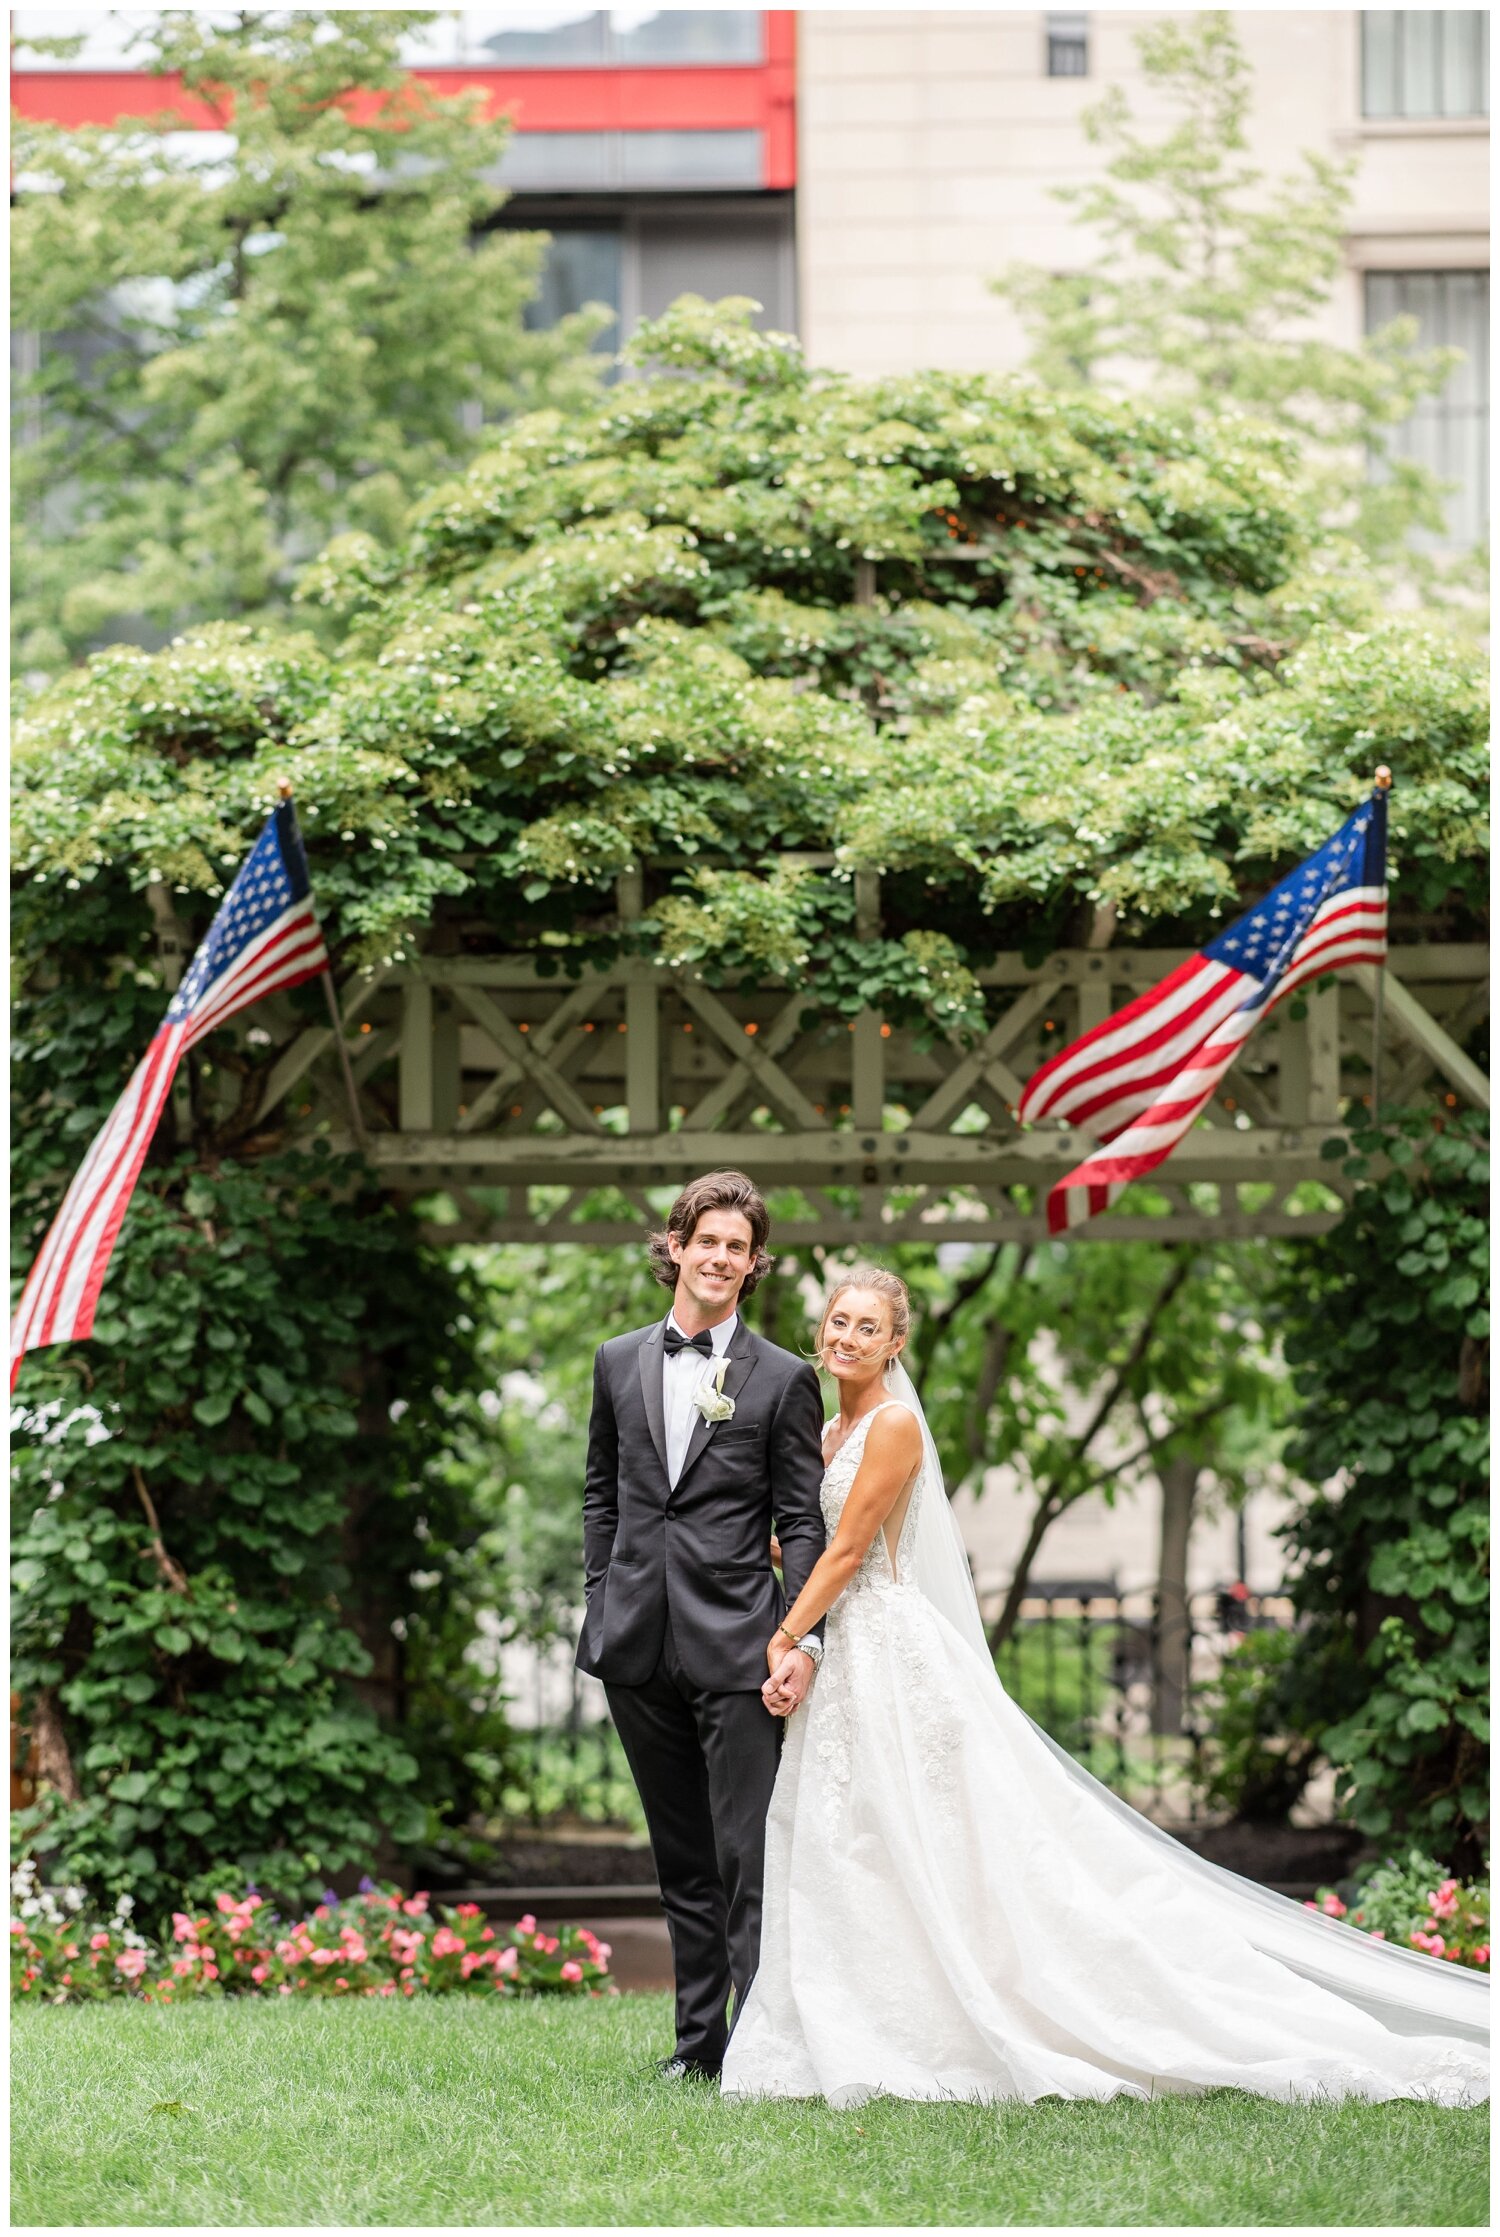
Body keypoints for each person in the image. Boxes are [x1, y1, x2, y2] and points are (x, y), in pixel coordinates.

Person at [721, 1266, 1490, 2108]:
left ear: (895, 1342)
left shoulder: (896, 1424)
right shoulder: (831, 1427)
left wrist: (787, 1634)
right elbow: (808, 1541)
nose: (847, 1337)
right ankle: (863, 2004)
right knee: (856, 1831)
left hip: (888, 1648)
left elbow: (845, 1551)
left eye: (868, 1326)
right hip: (845, 1655)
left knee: (937, 1830)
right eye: (838, 1321)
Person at [576, 1169, 826, 2082]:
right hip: (636, 1643)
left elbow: (802, 1520)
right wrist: (603, 1591)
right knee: (681, 1858)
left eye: (738, 1246)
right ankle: (698, 2048)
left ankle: (762, 2052)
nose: (720, 1257)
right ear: (676, 1246)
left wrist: (797, 1635)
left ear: (754, 1265)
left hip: (739, 1646)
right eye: (706, 1239)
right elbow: (602, 1490)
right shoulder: (616, 1359)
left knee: (746, 1859)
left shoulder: (787, 1378)